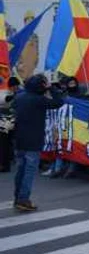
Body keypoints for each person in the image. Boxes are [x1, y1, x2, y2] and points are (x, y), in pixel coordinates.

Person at [12, 74, 64, 211]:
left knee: (20, 170)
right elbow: (59, 102)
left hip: (19, 139)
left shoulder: (19, 97)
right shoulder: (39, 100)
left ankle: (17, 197)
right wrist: (51, 88)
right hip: (33, 141)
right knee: (29, 171)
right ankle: (23, 199)